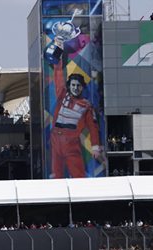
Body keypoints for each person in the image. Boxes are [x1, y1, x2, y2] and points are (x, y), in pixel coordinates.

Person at [49, 39, 103, 178]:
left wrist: (95, 146)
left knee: (79, 176)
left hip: (71, 142)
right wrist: (59, 50)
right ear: (69, 86)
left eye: (78, 86)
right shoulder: (62, 95)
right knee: (57, 177)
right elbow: (58, 73)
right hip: (55, 139)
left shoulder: (86, 106)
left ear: (82, 87)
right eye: (73, 85)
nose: (75, 88)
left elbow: (93, 127)